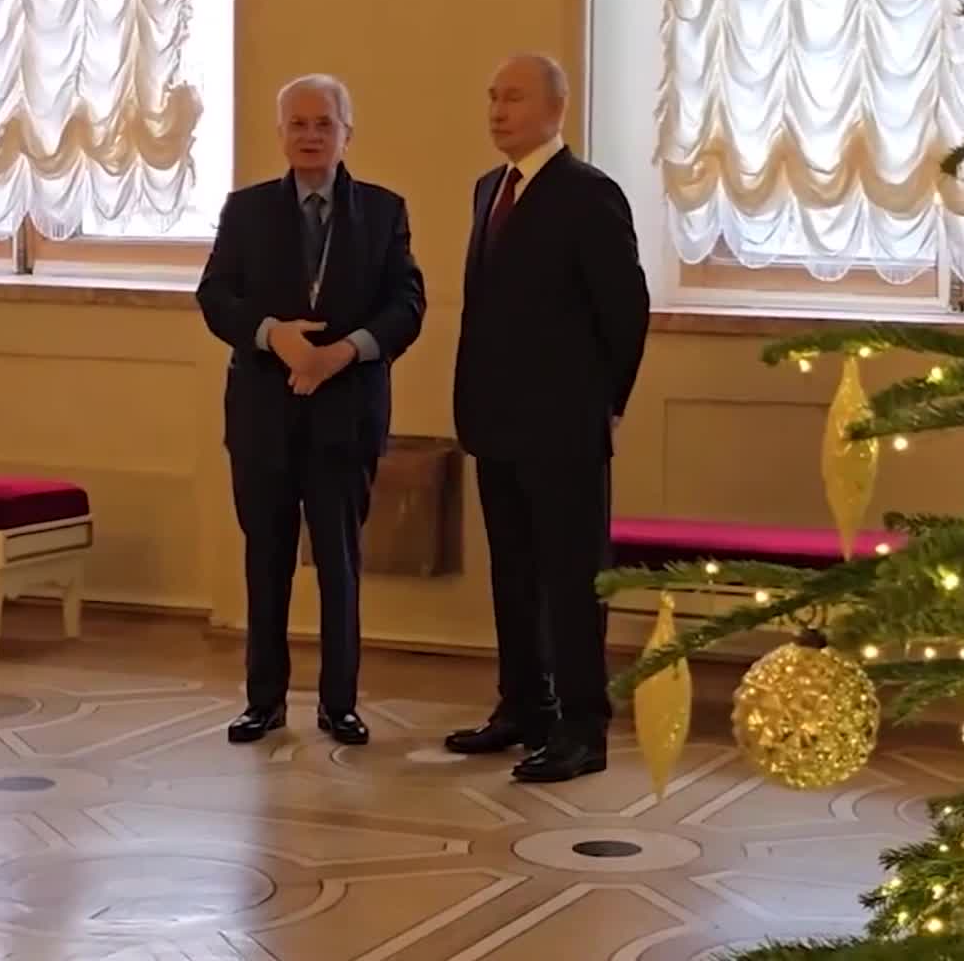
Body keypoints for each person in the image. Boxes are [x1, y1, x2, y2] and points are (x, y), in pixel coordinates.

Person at [196, 74, 426, 747]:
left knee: (339, 565)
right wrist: (275, 336)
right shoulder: (245, 211)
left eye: (324, 123)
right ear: (280, 134)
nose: (310, 135)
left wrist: (342, 353)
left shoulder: (383, 211)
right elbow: (216, 296)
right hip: (263, 419)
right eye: (297, 124)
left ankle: (339, 704)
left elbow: (407, 306)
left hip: (345, 418)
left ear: (347, 133)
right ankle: (263, 700)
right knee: (265, 561)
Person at [445, 53, 650, 783]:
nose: (498, 111)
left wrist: (607, 404)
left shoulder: (588, 193)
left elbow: (625, 311)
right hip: (495, 421)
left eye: (514, 98)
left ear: (555, 109)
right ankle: (523, 706)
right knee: (513, 574)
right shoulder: (488, 189)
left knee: (571, 579)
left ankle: (582, 727)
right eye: (493, 97)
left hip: (563, 426)